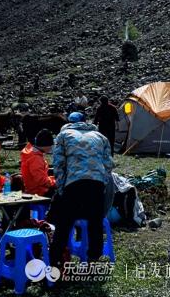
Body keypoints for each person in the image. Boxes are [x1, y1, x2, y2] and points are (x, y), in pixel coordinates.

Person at [50, 111, 114, 265]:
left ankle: (55, 258)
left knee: (64, 223)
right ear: (86, 122)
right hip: (97, 183)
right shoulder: (101, 137)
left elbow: (58, 165)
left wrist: (61, 189)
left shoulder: (63, 136)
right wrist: (102, 183)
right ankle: (93, 259)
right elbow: (109, 165)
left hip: (74, 183)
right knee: (95, 222)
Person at [20, 129, 57, 197]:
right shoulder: (35, 158)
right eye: (51, 146)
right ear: (46, 145)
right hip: (39, 191)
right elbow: (41, 181)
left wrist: (53, 179)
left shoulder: (32, 153)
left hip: (34, 188)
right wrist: (56, 182)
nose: (51, 148)